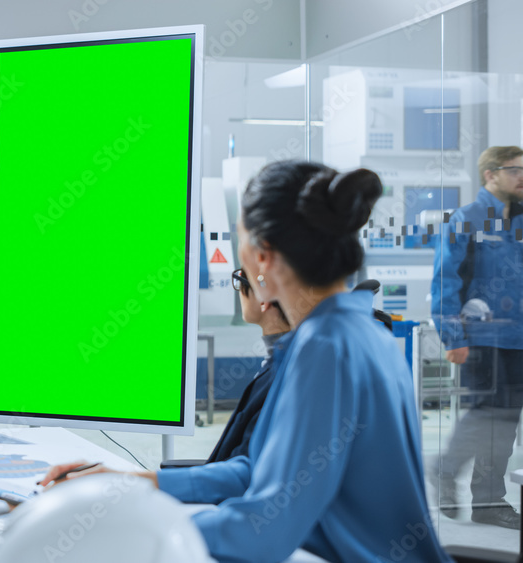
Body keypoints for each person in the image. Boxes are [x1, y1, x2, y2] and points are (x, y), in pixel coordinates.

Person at [42, 161, 451, 562]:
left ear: (263, 256)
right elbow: (263, 471)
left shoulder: (325, 347)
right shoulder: (356, 329)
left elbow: (263, 533)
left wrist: (117, 523)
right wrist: (136, 485)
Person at [430, 145, 523, 530]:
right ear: (490, 175)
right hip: (482, 337)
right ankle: (447, 471)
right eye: (515, 170)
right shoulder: (467, 219)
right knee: (486, 414)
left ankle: (489, 501)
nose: (522, 178)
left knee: (506, 420)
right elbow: (444, 282)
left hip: (518, 338)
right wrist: (453, 337)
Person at [208, 267, 290, 463]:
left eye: (240, 280)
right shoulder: (282, 361)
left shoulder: (281, 376)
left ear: (264, 299)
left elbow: (247, 467)